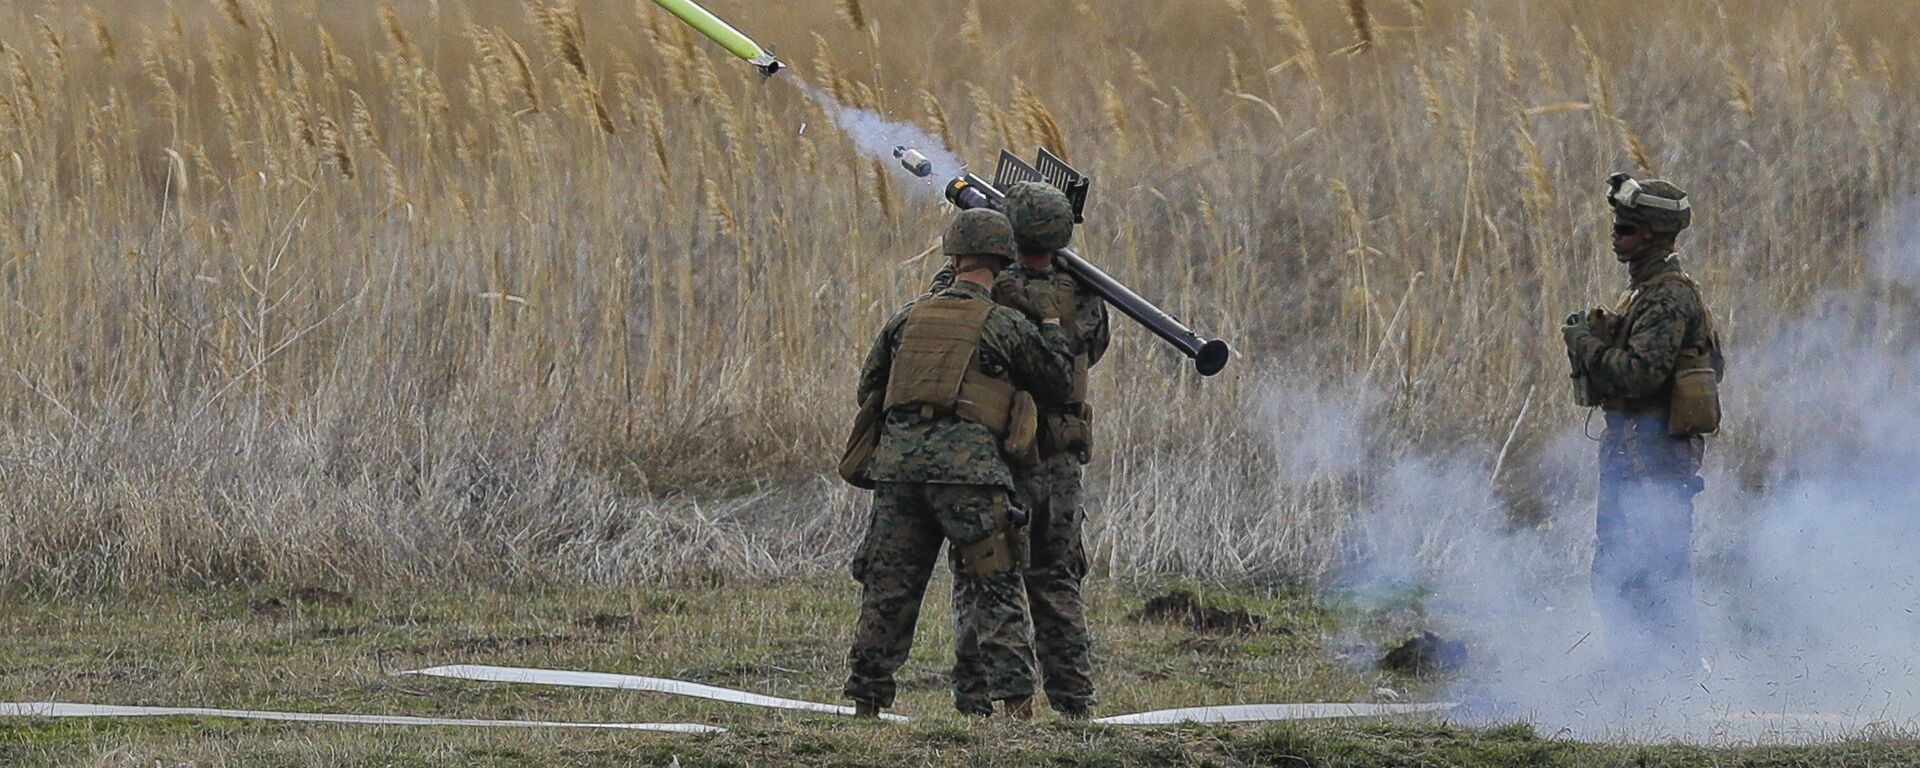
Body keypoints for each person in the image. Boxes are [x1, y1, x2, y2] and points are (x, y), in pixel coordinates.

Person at [844, 208, 1077, 720]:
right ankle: (1015, 706)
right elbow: (1057, 383)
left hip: (899, 471)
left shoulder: (907, 316)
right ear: (1002, 259)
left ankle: (866, 701)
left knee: (889, 589)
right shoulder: (1005, 323)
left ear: (952, 257)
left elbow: (870, 387)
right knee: (995, 585)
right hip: (970, 474)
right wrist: (1053, 321)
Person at [948, 181, 1110, 719]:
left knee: (985, 576)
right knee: (1058, 582)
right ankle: (1074, 702)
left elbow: (948, 321)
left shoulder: (992, 289)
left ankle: (978, 702)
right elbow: (1093, 349)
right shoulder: (1086, 295)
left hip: (1000, 454)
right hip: (1060, 461)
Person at [1561, 173, 1724, 687]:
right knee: (1627, 575)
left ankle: (1669, 690)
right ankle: (1647, 682)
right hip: (1638, 456)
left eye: (1626, 228)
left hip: (1652, 462)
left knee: (1650, 576)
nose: (1616, 236)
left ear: (1652, 234)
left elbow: (1637, 375)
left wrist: (1583, 343)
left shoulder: (1668, 298)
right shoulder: (1649, 293)